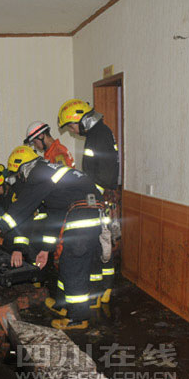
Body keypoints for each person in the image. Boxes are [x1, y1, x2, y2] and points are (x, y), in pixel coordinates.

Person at [0, 146, 104, 330]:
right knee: (67, 261)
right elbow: (54, 216)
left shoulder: (39, 174)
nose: (19, 178)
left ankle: (78, 319)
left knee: (73, 264)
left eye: (18, 173)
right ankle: (68, 307)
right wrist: (46, 249)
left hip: (84, 212)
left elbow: (25, 204)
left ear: (23, 168)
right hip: (83, 210)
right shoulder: (49, 177)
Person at [58, 99, 118, 302]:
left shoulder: (99, 135)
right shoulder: (97, 134)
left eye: (72, 125)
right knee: (97, 247)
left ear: (82, 120)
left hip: (99, 201)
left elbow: (106, 176)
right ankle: (96, 293)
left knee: (103, 247)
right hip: (97, 200)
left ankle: (104, 290)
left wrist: (90, 196)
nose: (73, 131)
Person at [0, 162, 39, 268]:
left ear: (2, 183)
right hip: (12, 234)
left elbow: (25, 222)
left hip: (33, 234)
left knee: (34, 266)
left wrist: (18, 248)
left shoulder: (18, 192)